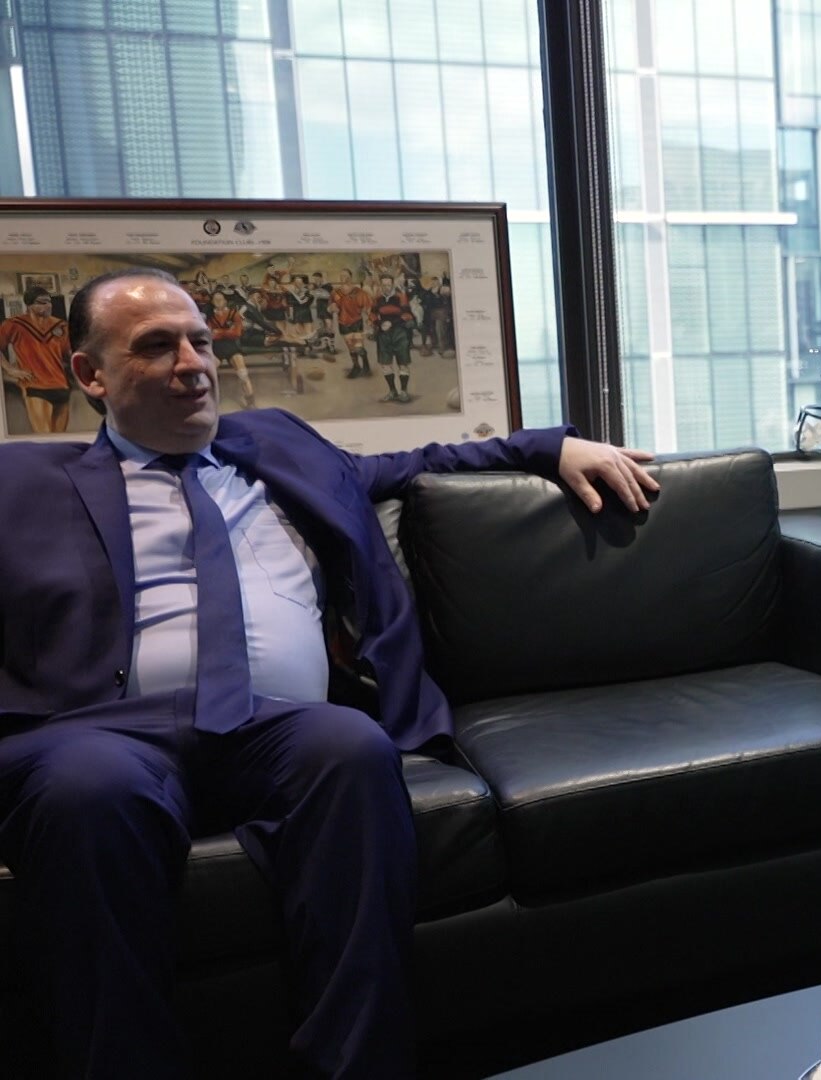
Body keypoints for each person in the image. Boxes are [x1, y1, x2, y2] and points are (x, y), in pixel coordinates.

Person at [0, 267, 659, 1077]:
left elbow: (418, 461)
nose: (193, 364)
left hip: (273, 728)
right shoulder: (22, 484)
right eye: (157, 346)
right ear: (90, 374)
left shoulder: (278, 447)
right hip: (102, 734)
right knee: (87, 793)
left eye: (201, 341)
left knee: (350, 747)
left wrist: (550, 446)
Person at [0, 287, 73, 434]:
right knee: (44, 437)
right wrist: (9, 369)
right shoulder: (14, 324)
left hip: (61, 385)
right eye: (42, 302)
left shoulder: (61, 325)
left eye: (49, 302)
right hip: (35, 386)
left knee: (60, 438)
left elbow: (68, 354)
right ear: (29, 305)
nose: (48, 305)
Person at [373, 274, 415, 403]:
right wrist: (380, 323)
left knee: (403, 363)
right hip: (383, 334)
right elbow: (372, 315)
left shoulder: (400, 297)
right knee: (385, 364)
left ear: (392, 284)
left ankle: (404, 391)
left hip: (400, 333)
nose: (386, 287)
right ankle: (392, 391)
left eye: (389, 284)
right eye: (384, 285)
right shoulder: (377, 298)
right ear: (381, 285)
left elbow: (408, 315)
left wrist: (392, 323)